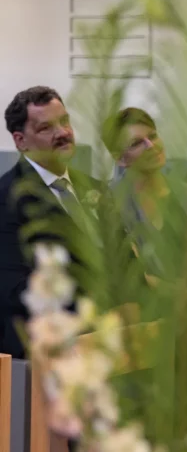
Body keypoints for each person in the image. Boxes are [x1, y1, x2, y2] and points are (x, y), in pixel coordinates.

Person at [0, 86, 103, 359]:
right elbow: (13, 288)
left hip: (110, 343)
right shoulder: (6, 198)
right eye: (46, 128)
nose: (63, 133)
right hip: (44, 356)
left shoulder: (96, 190)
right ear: (21, 141)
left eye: (65, 121)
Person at [102, 107, 187, 298]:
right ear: (120, 158)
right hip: (147, 309)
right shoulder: (112, 205)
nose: (151, 146)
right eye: (137, 143)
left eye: (153, 136)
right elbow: (142, 279)